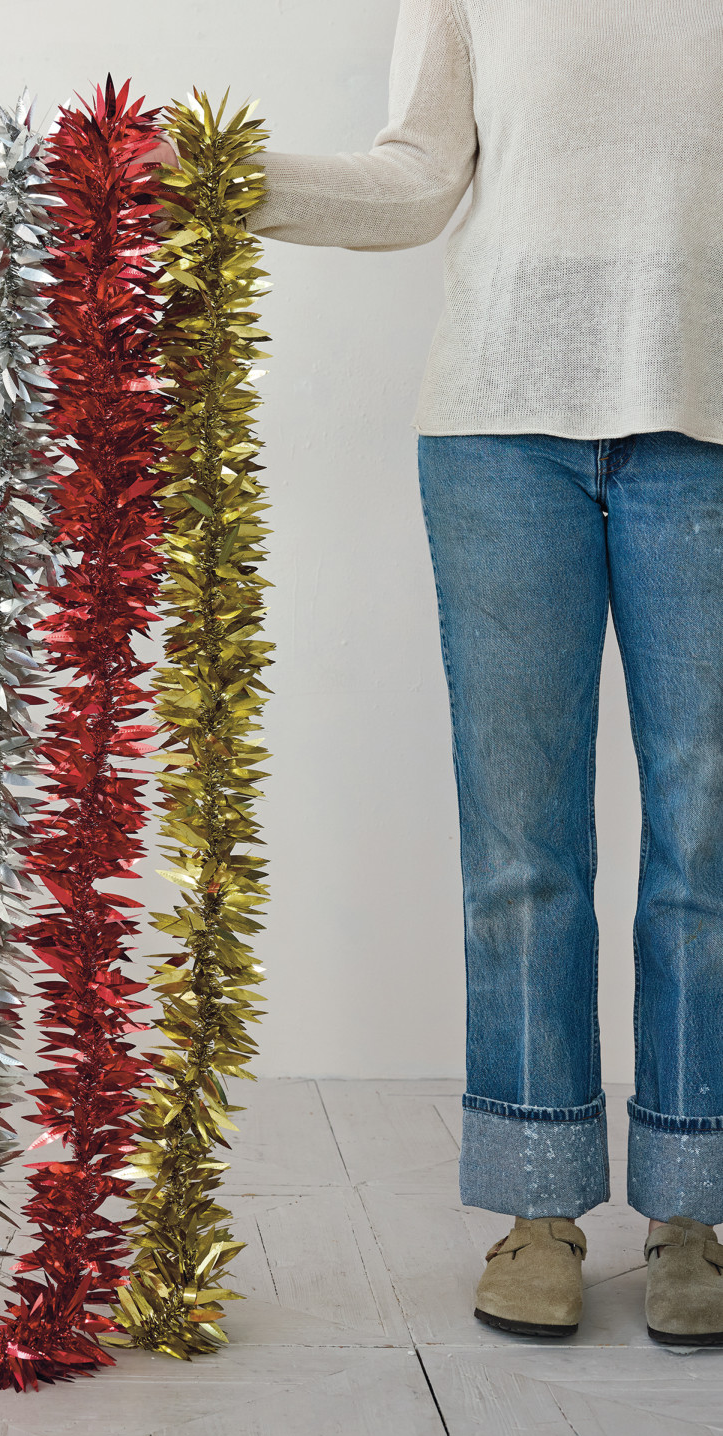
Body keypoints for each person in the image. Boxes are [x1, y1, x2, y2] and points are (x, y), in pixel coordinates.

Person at [156, 0, 723, 1343]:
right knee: (521, 844)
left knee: (707, 835)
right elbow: (417, 178)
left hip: (706, 428)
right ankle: (537, 1205)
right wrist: (217, 175)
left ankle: (694, 1211)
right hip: (497, 432)